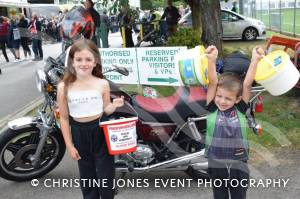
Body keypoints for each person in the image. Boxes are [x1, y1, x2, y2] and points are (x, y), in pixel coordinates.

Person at [57, 39, 124, 199]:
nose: (84, 63)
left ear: (95, 62)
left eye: (88, 59)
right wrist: (69, 146)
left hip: (100, 132)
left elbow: (105, 109)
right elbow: (65, 118)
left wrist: (115, 105)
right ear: (72, 62)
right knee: (87, 177)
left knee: (106, 176)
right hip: (79, 134)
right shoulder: (63, 87)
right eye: (79, 59)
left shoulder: (102, 84)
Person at [205, 45, 264, 199]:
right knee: (220, 196)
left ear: (237, 99)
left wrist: (255, 60)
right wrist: (211, 61)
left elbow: (247, 84)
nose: (222, 101)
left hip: (238, 162)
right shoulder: (212, 107)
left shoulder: (239, 108)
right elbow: (212, 82)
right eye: (219, 96)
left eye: (228, 98)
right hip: (216, 162)